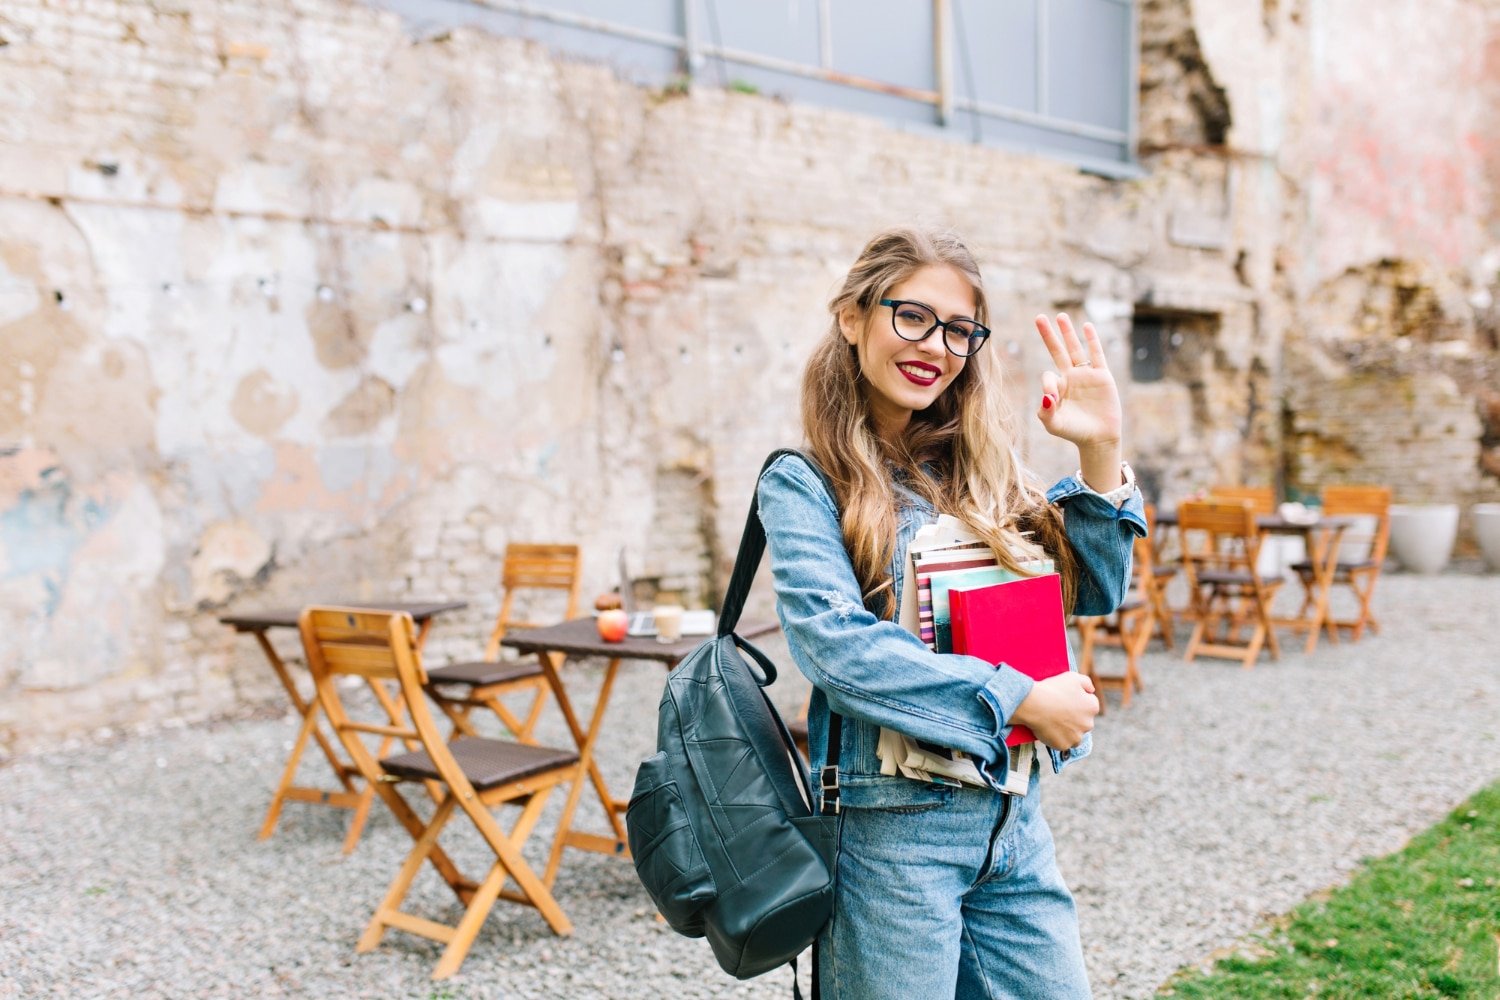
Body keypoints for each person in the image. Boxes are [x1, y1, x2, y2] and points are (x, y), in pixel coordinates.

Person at [756, 226, 1146, 999]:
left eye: (959, 329)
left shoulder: (978, 471)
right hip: (889, 837)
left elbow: (1093, 590)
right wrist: (1020, 698)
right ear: (852, 317)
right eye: (912, 316)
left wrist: (1100, 453)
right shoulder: (804, 482)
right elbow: (839, 650)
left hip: (1012, 825)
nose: (935, 344)